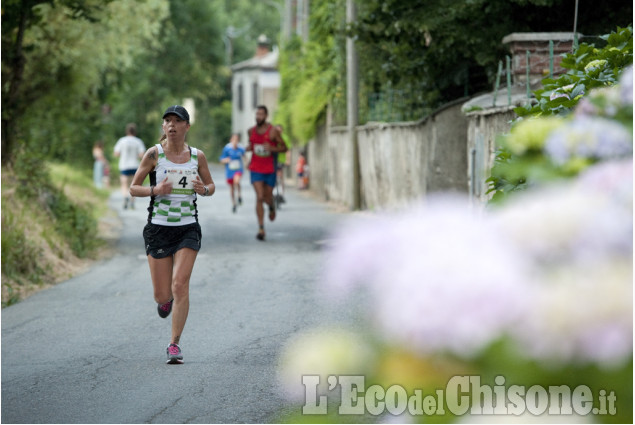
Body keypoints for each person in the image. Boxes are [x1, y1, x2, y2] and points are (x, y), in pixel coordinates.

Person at [129, 105, 215, 364]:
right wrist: (155, 190)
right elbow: (134, 188)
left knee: (180, 285)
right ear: (163, 127)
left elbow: (211, 185)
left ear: (187, 127)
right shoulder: (154, 155)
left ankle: (174, 344)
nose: (172, 125)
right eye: (167, 121)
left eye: (177, 121)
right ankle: (165, 302)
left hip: (188, 227)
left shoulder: (197, 157)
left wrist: (204, 189)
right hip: (158, 228)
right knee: (162, 294)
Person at [246, 105, 287, 241]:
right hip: (256, 168)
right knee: (259, 196)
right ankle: (261, 228)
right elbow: (252, 146)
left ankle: (271, 205)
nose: (258, 117)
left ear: (266, 116)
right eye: (257, 114)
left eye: (261, 114)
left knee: (267, 197)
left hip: (269, 169)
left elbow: (284, 147)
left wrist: (272, 148)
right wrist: (247, 149)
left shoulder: (273, 131)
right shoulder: (250, 131)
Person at [114, 123, 146, 209]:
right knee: (133, 185)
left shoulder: (122, 140)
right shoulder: (138, 141)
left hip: (124, 165)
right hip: (135, 165)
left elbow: (116, 153)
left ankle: (125, 198)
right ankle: (132, 202)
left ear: (127, 131)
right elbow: (141, 155)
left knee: (124, 184)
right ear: (135, 132)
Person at [219, 133, 246, 213]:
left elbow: (245, 157)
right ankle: (234, 203)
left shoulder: (240, 148)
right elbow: (221, 159)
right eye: (234, 139)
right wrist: (226, 160)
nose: (235, 141)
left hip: (238, 169)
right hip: (230, 170)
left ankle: (239, 196)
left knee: (237, 181)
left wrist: (247, 163)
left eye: (237, 140)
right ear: (231, 140)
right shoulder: (227, 148)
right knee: (231, 188)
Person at [274, 124, 292, 205]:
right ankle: (272, 193)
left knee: (280, 176)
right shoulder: (272, 138)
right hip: (273, 160)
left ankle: (281, 193)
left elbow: (288, 150)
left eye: (280, 131)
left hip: (281, 160)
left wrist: (288, 160)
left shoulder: (285, 138)